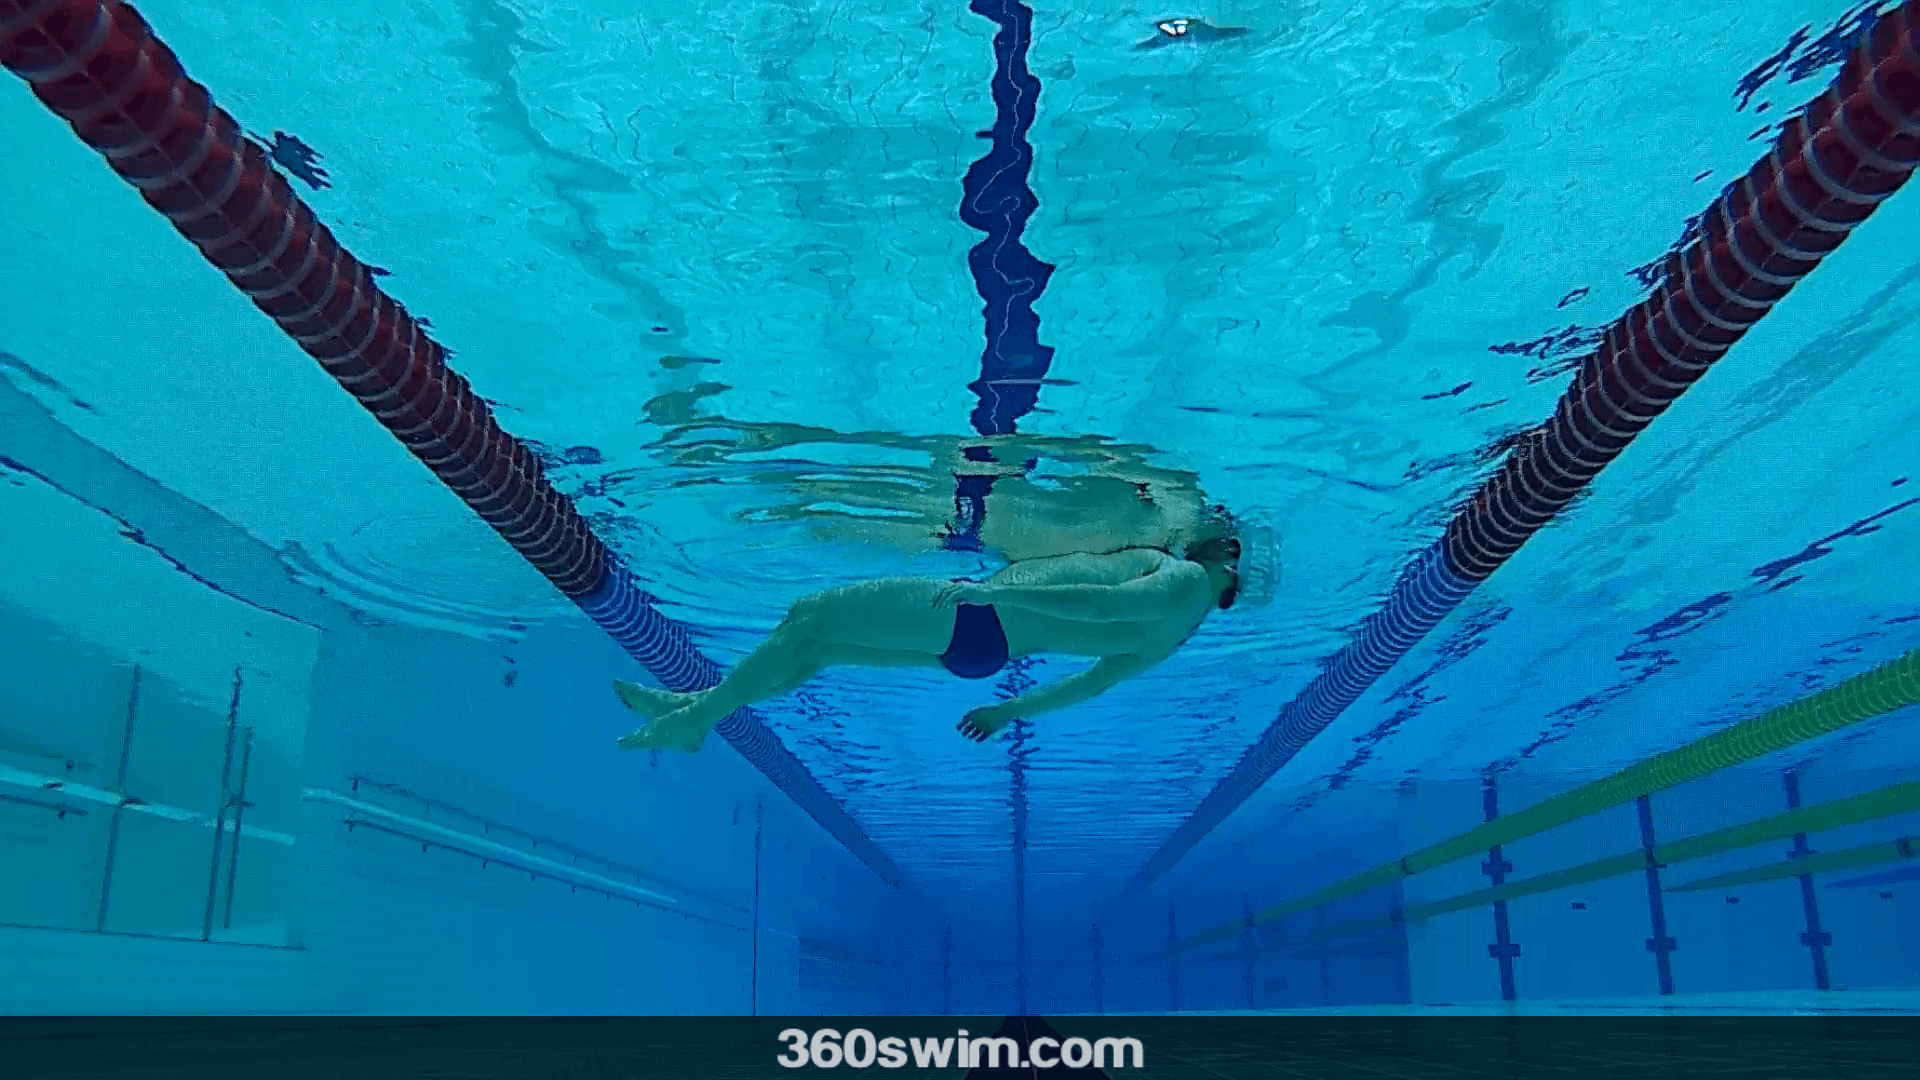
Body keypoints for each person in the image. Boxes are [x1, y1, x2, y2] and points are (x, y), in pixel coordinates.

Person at [612, 521, 1275, 751]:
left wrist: (999, 590)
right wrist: (1009, 709)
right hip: (984, 651)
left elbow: (1105, 607)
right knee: (821, 645)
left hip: (979, 615)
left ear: (1231, 556)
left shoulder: (1189, 578)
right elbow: (1094, 681)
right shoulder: (1177, 636)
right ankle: (696, 710)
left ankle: (696, 716)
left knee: (812, 615)